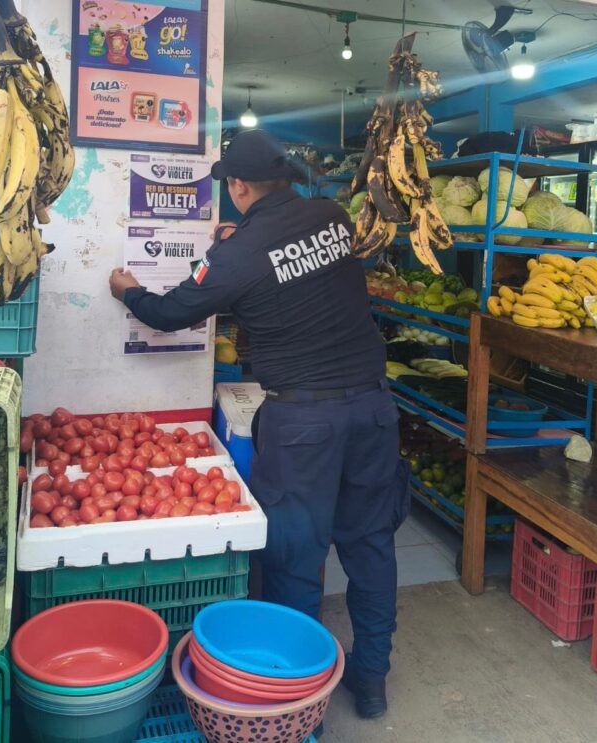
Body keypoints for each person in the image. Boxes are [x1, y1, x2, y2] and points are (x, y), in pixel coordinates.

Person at [109, 129, 408, 720]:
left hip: (304, 424)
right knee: (371, 544)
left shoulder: (237, 254)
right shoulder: (332, 217)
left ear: (239, 187)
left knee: (295, 555)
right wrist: (233, 248)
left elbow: (170, 313)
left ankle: (293, 692)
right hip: (374, 410)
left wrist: (129, 290)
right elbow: (290, 266)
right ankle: (372, 678)